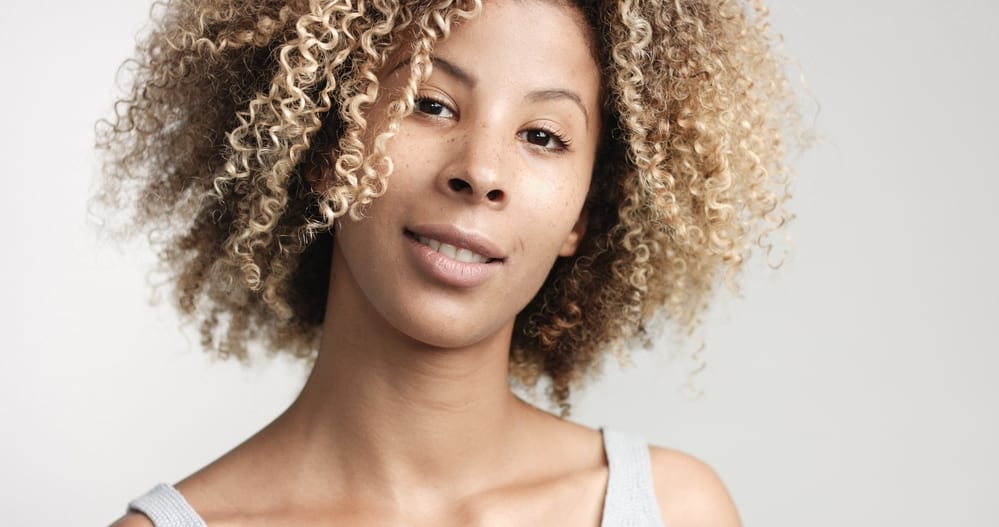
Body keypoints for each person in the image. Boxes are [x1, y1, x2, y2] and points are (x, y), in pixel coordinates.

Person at [99, 0, 795, 525]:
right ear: (320, 144)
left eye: (544, 136)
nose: (481, 171)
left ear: (582, 215)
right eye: (429, 104)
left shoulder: (669, 510)